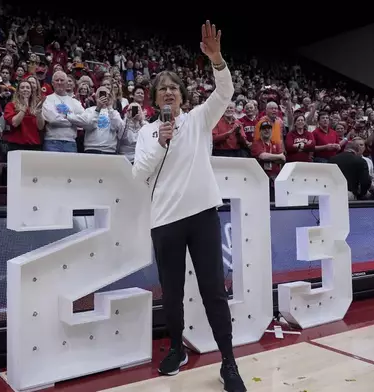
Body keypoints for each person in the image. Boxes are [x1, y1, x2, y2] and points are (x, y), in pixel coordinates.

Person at [132, 21, 246, 392]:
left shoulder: (199, 119)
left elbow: (225, 90)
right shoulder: (148, 133)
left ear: (182, 96)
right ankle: (176, 347)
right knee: (173, 289)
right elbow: (140, 174)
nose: (168, 92)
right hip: (164, 220)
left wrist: (216, 60)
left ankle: (229, 361)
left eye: (173, 88)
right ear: (155, 97)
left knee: (214, 288)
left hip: (202, 217)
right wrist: (161, 143)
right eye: (162, 88)